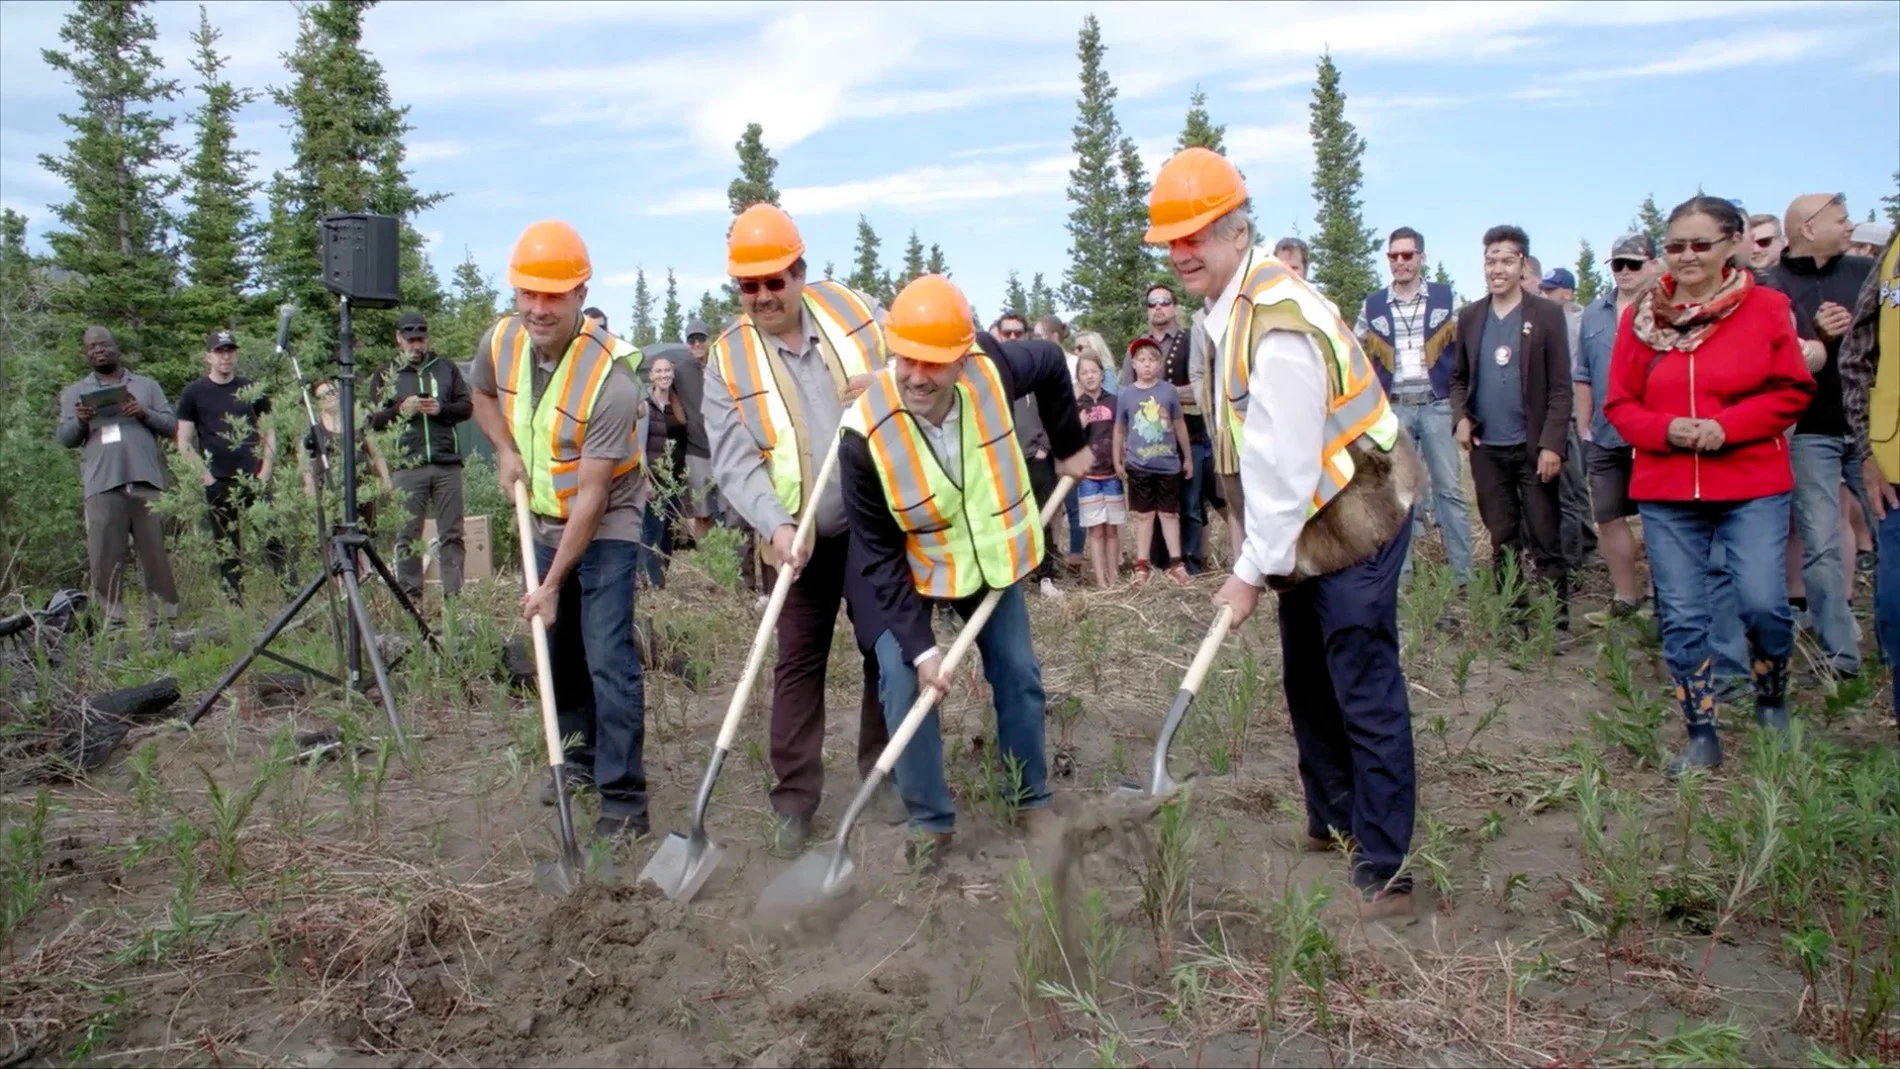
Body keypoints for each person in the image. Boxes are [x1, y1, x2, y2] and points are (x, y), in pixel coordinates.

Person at [1147, 147, 1423, 920]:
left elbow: (1289, 466)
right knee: (1307, 675)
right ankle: (1333, 820)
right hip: (1301, 526)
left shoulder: (1276, 322)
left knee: (1360, 681)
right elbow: (1254, 457)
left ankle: (1387, 868)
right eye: (1172, 241)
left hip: (1356, 513)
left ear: (1239, 232)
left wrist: (1249, 567)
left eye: (1197, 234)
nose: (1182, 253)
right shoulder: (1221, 311)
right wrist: (1260, 556)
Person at [838, 274, 1089, 868]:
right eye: (905, 359)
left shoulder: (992, 372)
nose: (917, 376)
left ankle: (1030, 799)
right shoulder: (862, 439)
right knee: (902, 683)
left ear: (961, 356)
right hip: (909, 565)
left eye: (934, 363)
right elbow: (875, 555)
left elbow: (1053, 360)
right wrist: (923, 650)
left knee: (1019, 674)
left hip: (986, 560)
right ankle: (930, 819)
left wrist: (1069, 442)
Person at [701, 203, 894, 851]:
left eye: (773, 281)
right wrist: (777, 526)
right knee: (797, 663)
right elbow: (733, 461)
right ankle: (794, 801)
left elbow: (924, 364)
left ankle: (884, 771)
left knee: (886, 646)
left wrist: (885, 382)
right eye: (747, 286)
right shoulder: (727, 360)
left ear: (799, 272)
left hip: (871, 522)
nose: (761, 296)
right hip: (796, 539)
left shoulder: (851, 310)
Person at [1604, 196, 1815, 774]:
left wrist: (1729, 427)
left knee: (1762, 600)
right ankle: (1701, 732)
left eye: (1700, 244)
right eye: (1675, 246)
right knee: (1683, 614)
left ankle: (1771, 697)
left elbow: (1793, 390)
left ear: (1733, 243)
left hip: (1751, 480)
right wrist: (1667, 428)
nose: (1687, 256)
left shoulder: (1768, 308)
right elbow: (1619, 403)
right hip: (1669, 486)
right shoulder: (1640, 318)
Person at [469, 219, 651, 841]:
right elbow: (482, 395)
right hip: (542, 513)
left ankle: (624, 799)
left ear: (580, 293)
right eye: (528, 294)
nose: (538, 308)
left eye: (553, 295)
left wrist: (550, 581)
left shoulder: (614, 380)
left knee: (606, 656)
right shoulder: (501, 341)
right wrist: (501, 449)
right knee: (559, 648)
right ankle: (575, 758)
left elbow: (595, 496)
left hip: (606, 522)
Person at [1765, 193, 1877, 680]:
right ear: (1808, 228)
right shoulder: (1774, 287)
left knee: (1889, 537)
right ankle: (1839, 656)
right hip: (1810, 432)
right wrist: (1816, 337)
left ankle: (1889, 649)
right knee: (1823, 543)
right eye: (1841, 218)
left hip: (1875, 433)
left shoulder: (1865, 275)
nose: (1851, 225)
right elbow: (1769, 359)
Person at [1451, 226, 1575, 629]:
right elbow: (1458, 379)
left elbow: (1560, 387)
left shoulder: (1546, 315)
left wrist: (1553, 444)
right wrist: (1460, 418)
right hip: (1488, 447)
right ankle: (1513, 615)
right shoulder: (1471, 316)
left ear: (1522, 264)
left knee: (1544, 533)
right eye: (1491, 260)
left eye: (1507, 260)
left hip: (1533, 446)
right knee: (1502, 537)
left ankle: (1556, 619)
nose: (1497, 269)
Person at [1356, 226, 1471, 586]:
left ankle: (1464, 575)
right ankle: (1401, 575)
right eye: (1394, 256)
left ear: (1421, 257)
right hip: (1395, 409)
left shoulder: (1445, 298)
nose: (1401, 262)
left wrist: (1464, 407)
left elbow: (1465, 352)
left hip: (1437, 404)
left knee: (1449, 490)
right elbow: (1353, 354)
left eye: (1408, 255)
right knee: (1399, 492)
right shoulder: (1373, 305)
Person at [56, 326, 181, 630]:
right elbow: (66, 438)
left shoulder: (146, 385)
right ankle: (113, 623)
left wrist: (143, 413)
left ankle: (164, 619)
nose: (99, 350)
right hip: (102, 482)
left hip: (145, 479)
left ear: (116, 347)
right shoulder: (75, 392)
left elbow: (171, 424)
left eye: (104, 345)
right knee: (104, 557)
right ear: (86, 353)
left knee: (154, 554)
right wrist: (82, 421)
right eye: (92, 347)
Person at [1575, 235, 1656, 624]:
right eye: (1617, 265)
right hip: (1605, 434)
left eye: (1633, 264)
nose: (1624, 272)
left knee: (1660, 516)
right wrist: (1583, 425)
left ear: (1652, 264)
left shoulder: (1667, 307)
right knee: (1607, 516)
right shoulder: (1593, 314)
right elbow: (1583, 373)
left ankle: (1662, 599)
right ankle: (1626, 597)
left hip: (1655, 434)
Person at [367, 312, 472, 604]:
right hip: (408, 465)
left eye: (421, 339)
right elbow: (372, 421)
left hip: (446, 463)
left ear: (428, 338)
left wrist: (441, 409)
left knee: (452, 533)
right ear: (398, 339)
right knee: (407, 534)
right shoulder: (386, 373)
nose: (417, 345)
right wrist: (401, 409)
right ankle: (411, 600)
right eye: (411, 339)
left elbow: (466, 407)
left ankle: (454, 599)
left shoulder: (445, 367)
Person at [1838, 225, 1898, 731]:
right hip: (1894, 474)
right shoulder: (1892, 254)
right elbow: (1858, 355)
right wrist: (1869, 453)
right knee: (1896, 611)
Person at [177, 329, 284, 603]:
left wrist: (265, 471)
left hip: (253, 477)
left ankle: (291, 595)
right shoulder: (194, 393)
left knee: (273, 540)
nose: (225, 356)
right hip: (218, 481)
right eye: (219, 351)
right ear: (208, 357)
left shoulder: (251, 389)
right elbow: (185, 442)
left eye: (229, 351)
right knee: (227, 548)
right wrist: (205, 477)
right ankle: (236, 608)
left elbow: (269, 431)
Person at [1129, 282, 1212, 574]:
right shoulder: (1139, 348)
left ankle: (1190, 563)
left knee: (1189, 503)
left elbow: (1205, 386)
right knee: (1151, 507)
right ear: (1147, 310)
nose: (1159, 307)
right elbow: (1129, 391)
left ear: (1174, 306)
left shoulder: (1192, 341)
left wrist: (1167, 393)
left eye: (1164, 301)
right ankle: (1158, 563)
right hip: (1149, 440)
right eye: (1152, 303)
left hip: (1190, 432)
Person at [1115, 336, 1193, 585]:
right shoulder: (1126, 394)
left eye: (1152, 360)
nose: (1147, 364)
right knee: (1144, 515)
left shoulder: (1168, 391)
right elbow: (1119, 429)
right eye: (1142, 360)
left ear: (1159, 364)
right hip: (1138, 465)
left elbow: (1179, 426)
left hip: (1168, 464)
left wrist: (1187, 458)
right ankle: (1142, 565)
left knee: (1169, 514)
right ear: (1133, 364)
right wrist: (1118, 459)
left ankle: (1175, 564)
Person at [302, 377, 393, 580]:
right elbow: (307, 468)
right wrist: (310, 494)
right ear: (317, 402)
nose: (331, 397)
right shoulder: (314, 428)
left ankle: (365, 577)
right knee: (335, 540)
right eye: (325, 394)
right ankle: (342, 583)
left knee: (363, 534)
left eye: (333, 391)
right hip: (331, 494)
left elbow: (376, 453)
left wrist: (385, 478)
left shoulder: (356, 421)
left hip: (362, 489)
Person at [1074, 352, 1124, 588]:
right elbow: (1070, 443)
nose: (1089, 376)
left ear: (1102, 374)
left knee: (1112, 529)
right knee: (1096, 531)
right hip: (1089, 477)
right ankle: (1101, 579)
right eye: (1084, 373)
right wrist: (1079, 427)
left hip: (1112, 474)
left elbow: (1123, 434)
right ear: (1079, 378)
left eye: (1093, 371)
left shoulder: (1114, 401)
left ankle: (1114, 576)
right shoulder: (1076, 406)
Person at [638, 355, 689, 589]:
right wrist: (646, 480)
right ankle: (651, 581)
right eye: (658, 371)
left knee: (669, 530)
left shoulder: (678, 406)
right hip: (654, 478)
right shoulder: (645, 406)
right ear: (651, 376)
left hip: (675, 478)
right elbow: (638, 445)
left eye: (667, 370)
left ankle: (661, 577)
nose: (663, 375)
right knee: (652, 530)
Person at [675, 317, 718, 543]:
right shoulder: (680, 371)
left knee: (732, 513)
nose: (696, 344)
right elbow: (663, 392)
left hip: (725, 449)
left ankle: (738, 569)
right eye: (691, 340)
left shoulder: (721, 365)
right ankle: (710, 562)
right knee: (702, 514)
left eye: (700, 338)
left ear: (709, 340)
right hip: (696, 451)